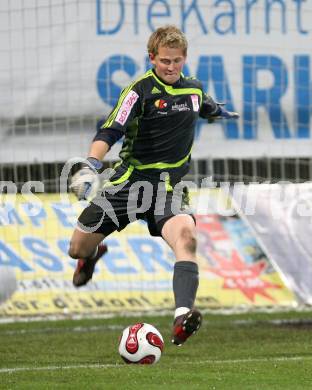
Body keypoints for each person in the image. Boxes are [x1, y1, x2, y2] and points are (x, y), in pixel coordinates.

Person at [69, 25, 239, 346]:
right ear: (152, 58)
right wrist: (91, 163)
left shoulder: (194, 89)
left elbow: (204, 104)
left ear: (185, 58)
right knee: (76, 247)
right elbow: (110, 130)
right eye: (164, 61)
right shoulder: (139, 91)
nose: (171, 67)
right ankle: (89, 257)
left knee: (186, 237)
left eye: (176, 61)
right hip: (128, 185)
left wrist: (220, 111)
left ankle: (181, 318)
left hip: (168, 189)